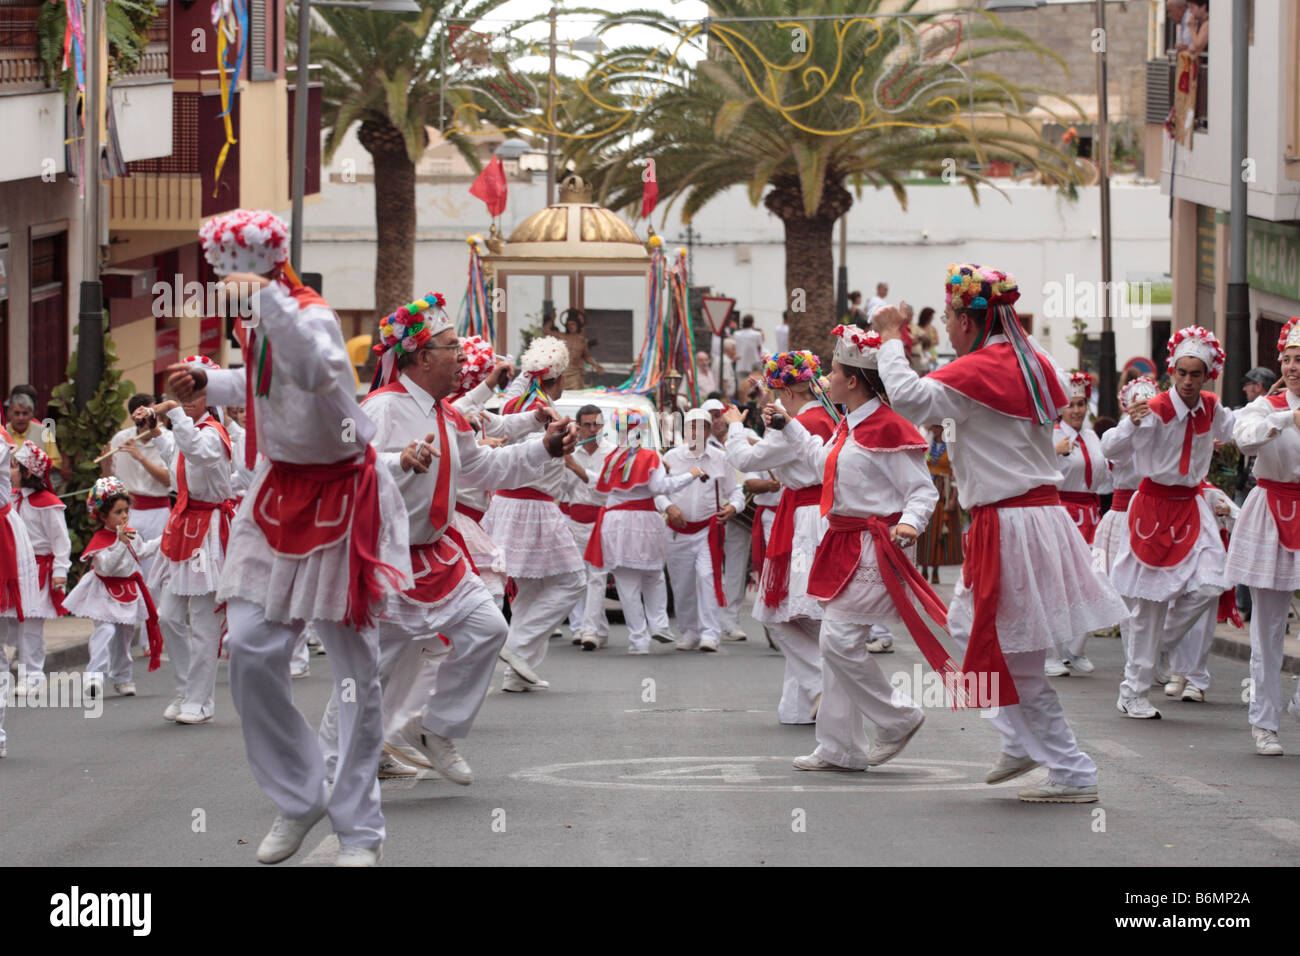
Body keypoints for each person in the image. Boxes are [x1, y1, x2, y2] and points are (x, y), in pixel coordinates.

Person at [171, 208, 413, 867]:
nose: (221, 281)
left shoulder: (306, 312)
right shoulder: (263, 315)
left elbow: (315, 371)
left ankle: (361, 831)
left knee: (356, 672)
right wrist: (208, 383)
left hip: (343, 496)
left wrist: (268, 302)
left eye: (227, 269)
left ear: (252, 263)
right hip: (276, 496)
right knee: (248, 648)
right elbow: (270, 384)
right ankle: (301, 795)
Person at [875, 263, 1127, 803]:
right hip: (1033, 518)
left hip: (1010, 523)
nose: (944, 326)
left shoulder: (980, 370)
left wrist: (890, 335)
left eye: (948, 317)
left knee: (1001, 648)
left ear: (968, 321)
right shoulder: (1037, 361)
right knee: (985, 637)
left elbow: (908, 397)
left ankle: (1062, 763)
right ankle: (1033, 748)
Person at [331, 292, 570, 784]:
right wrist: (398, 461)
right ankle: (335, 768)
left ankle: (437, 729)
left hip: (437, 554)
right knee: (368, 673)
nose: (461, 356)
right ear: (422, 358)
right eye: (451, 347)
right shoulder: (381, 407)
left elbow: (484, 466)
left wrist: (544, 448)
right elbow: (346, 469)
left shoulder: (447, 413)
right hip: (386, 559)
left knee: (489, 630)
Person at [767, 327, 937, 768]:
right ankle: (840, 747)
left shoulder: (888, 428)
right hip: (843, 542)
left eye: (835, 372)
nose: (826, 380)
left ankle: (898, 716)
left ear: (854, 381)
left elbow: (923, 491)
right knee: (833, 642)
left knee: (839, 641)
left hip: (874, 546)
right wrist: (787, 427)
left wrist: (910, 524)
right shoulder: (849, 424)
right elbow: (819, 465)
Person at [1110, 326, 1235, 721]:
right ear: (1172, 371)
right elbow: (1110, 448)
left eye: (1195, 374)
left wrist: (1280, 418)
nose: (1186, 381)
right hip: (1153, 507)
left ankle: (1157, 646)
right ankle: (1133, 691)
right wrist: (1129, 422)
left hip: (1192, 505)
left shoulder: (1212, 407)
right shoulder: (1157, 408)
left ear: (1206, 375)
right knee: (1150, 605)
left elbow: (1241, 432)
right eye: (1181, 372)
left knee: (1214, 581)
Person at [722, 350, 835, 724]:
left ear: (785, 392)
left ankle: (823, 686)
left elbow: (744, 460)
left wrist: (736, 425)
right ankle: (799, 706)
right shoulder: (829, 417)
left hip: (804, 519)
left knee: (777, 613)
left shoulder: (794, 423)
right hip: (821, 514)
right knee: (806, 614)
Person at [486, 336, 587, 692]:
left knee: (531, 589)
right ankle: (516, 648)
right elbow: (534, 451)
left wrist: (526, 367)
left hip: (507, 505)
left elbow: (519, 380)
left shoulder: (515, 401)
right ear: (559, 379)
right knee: (573, 580)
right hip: (534, 506)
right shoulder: (545, 412)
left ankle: (518, 671)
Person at [1226, 316, 1300, 754]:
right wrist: (1286, 418)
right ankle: (1265, 722)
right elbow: (1245, 440)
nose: (1293, 367)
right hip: (1272, 510)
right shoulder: (1264, 408)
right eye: (1288, 360)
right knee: (1268, 627)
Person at [149, 356, 237, 726]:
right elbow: (177, 454)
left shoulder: (215, 433)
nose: (187, 399)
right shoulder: (188, 429)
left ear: (210, 395)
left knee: (203, 619)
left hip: (208, 530)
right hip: (183, 525)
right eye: (182, 393)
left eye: (195, 392)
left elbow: (198, 451)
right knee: (168, 615)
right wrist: (155, 428)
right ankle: (187, 689)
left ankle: (201, 701)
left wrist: (174, 414)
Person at [583, 410, 704, 653]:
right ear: (642, 430)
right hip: (644, 521)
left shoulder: (612, 458)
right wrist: (689, 476)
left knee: (627, 584)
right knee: (654, 576)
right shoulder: (650, 456)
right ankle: (659, 625)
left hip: (615, 523)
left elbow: (600, 490)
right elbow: (659, 487)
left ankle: (639, 639)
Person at [63, 477, 164, 701]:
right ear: (102, 516)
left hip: (127, 590)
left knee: (124, 636)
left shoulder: (131, 534)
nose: (124, 516)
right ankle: (94, 676)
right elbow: (107, 568)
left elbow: (143, 550)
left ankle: (122, 677)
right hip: (103, 592)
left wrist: (164, 540)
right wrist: (119, 543)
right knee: (105, 631)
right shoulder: (101, 541)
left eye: (126, 510)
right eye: (118, 512)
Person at [657, 409, 742, 652]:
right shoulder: (672, 457)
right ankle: (690, 632)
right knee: (681, 583)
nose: (696, 432)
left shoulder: (720, 458)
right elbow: (657, 490)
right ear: (685, 430)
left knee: (707, 577)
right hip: (677, 530)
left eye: (701, 427)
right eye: (691, 427)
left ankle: (710, 633)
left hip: (707, 530)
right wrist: (669, 507)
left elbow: (734, 490)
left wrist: (734, 507)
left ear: (708, 430)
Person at [1047, 371, 1112, 677]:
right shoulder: (1050, 435)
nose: (1076, 410)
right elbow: (1033, 468)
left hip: (1091, 514)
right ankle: (1050, 653)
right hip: (1060, 512)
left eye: (1081, 403)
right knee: (1056, 584)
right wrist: (1052, 452)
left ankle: (1075, 648)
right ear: (1060, 407)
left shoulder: (1092, 437)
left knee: (1094, 580)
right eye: (1070, 404)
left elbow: (1105, 476)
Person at [1096, 374, 1161, 675]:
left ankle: (1153, 659)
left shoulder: (1162, 432)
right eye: (1137, 404)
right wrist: (1131, 423)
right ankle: (1135, 666)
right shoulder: (1122, 436)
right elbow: (1109, 448)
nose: (1143, 409)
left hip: (1156, 516)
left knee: (1156, 592)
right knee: (1126, 596)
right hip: (1123, 518)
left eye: (1147, 404)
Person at [9, 442, 70, 697]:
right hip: (14, 570)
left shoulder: (48, 504)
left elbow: (61, 541)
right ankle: (11, 669)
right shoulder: (11, 498)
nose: (8, 470)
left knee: (31, 626)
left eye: (13, 466)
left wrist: (60, 571)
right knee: (9, 623)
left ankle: (32, 674)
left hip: (39, 573)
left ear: (27, 472)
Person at [561, 405, 616, 649]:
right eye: (587, 425)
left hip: (601, 521)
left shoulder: (612, 453)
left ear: (603, 426)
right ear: (579, 427)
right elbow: (561, 488)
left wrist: (577, 469)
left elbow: (606, 488)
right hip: (574, 521)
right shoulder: (572, 453)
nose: (592, 429)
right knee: (578, 577)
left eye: (596, 424)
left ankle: (589, 630)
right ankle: (593, 628)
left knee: (597, 576)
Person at [1234, 366, 1277, 621]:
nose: (1244, 388)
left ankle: (1259, 607)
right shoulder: (1249, 413)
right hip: (1249, 489)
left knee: (1267, 552)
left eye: (1248, 384)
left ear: (1259, 386)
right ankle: (1244, 604)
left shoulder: (1273, 409)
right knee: (1245, 548)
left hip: (1268, 490)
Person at [917, 423, 962, 583]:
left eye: (938, 426)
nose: (935, 429)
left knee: (939, 530)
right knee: (925, 529)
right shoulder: (928, 444)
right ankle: (922, 567)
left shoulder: (951, 447)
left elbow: (956, 472)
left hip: (944, 490)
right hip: (928, 487)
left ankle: (935, 569)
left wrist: (953, 498)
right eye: (934, 427)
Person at [6, 388, 69, 489]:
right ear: (9, 413)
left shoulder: (44, 432)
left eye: (25, 413)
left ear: (32, 414)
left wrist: (35, 467)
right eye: (17, 413)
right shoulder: (2, 433)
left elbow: (57, 463)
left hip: (37, 489)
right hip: (7, 489)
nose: (21, 418)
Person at [558, 309, 604, 389]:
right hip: (562, 372)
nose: (570, 326)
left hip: (575, 374)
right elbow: (546, 330)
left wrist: (596, 365)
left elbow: (587, 357)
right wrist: (552, 317)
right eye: (568, 324)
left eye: (573, 324)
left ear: (577, 325)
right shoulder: (561, 337)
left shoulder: (582, 341)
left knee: (575, 395)